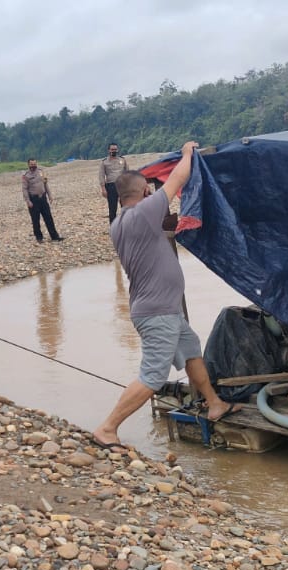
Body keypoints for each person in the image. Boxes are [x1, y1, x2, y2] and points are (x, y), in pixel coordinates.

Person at [92, 142, 237, 449]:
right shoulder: (145, 213)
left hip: (162, 309)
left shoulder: (120, 223)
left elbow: (163, 231)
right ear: (144, 191)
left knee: (191, 350)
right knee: (153, 375)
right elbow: (177, 180)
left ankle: (214, 403)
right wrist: (187, 153)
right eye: (149, 189)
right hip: (157, 312)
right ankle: (107, 428)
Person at [21, 158, 64, 243]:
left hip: (43, 199)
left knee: (49, 218)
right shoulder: (25, 176)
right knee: (35, 220)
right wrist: (28, 201)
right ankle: (39, 238)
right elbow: (24, 189)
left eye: (34, 164)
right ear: (28, 165)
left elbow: (45, 184)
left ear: (36, 164)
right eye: (31, 164)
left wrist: (50, 195)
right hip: (33, 200)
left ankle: (54, 236)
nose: (33, 165)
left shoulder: (41, 172)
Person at [98, 143, 128, 223]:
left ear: (117, 150)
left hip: (122, 185)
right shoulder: (104, 162)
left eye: (115, 149)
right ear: (109, 150)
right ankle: (113, 228)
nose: (114, 151)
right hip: (111, 186)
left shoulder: (123, 160)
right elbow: (101, 175)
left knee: (125, 207)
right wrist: (103, 189)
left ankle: (125, 226)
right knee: (112, 208)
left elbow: (127, 173)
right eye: (112, 149)